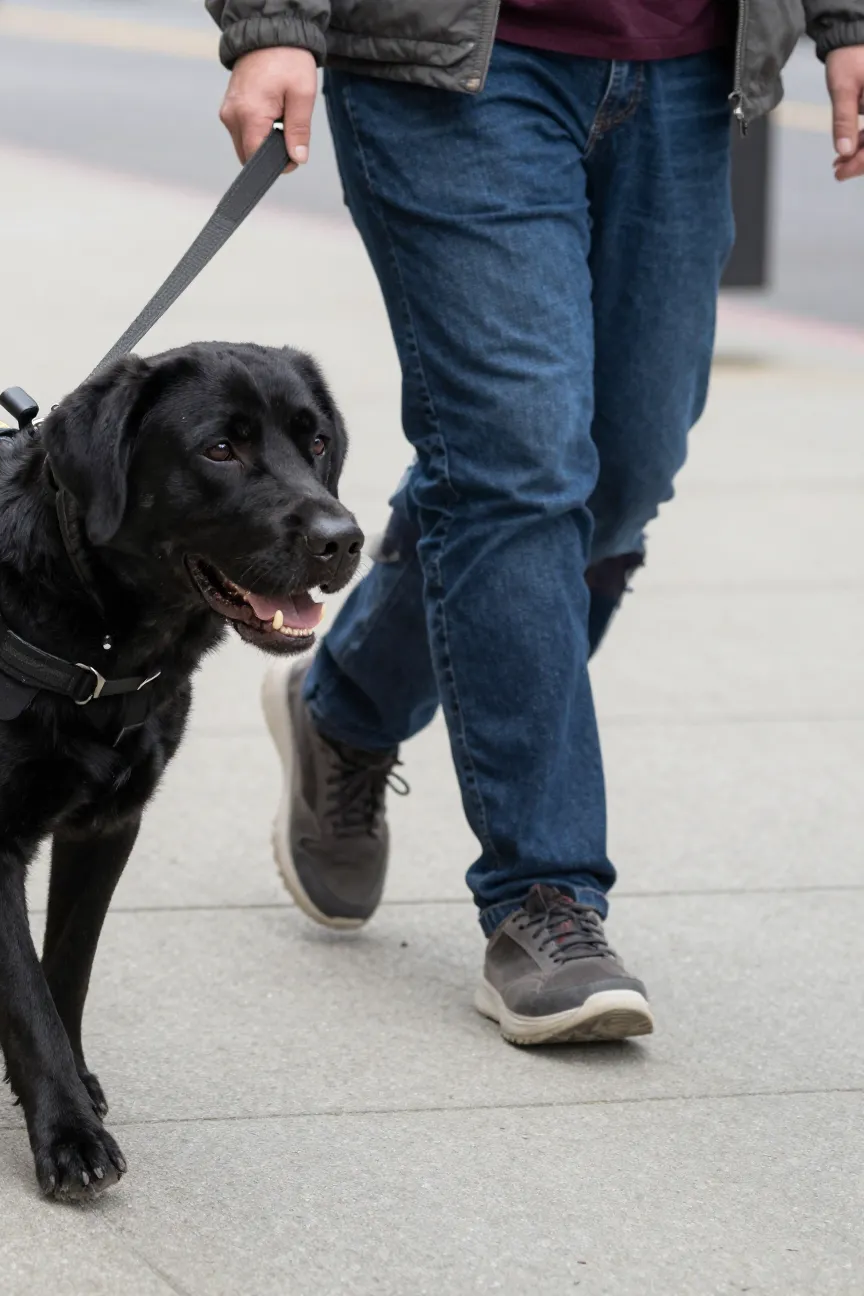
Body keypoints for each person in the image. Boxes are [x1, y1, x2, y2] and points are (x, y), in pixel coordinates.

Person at [208, 0, 864, 1043]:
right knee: (518, 467)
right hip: (455, 64)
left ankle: (349, 704)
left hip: (690, 65)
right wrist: (270, 20)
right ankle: (545, 899)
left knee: (621, 474)